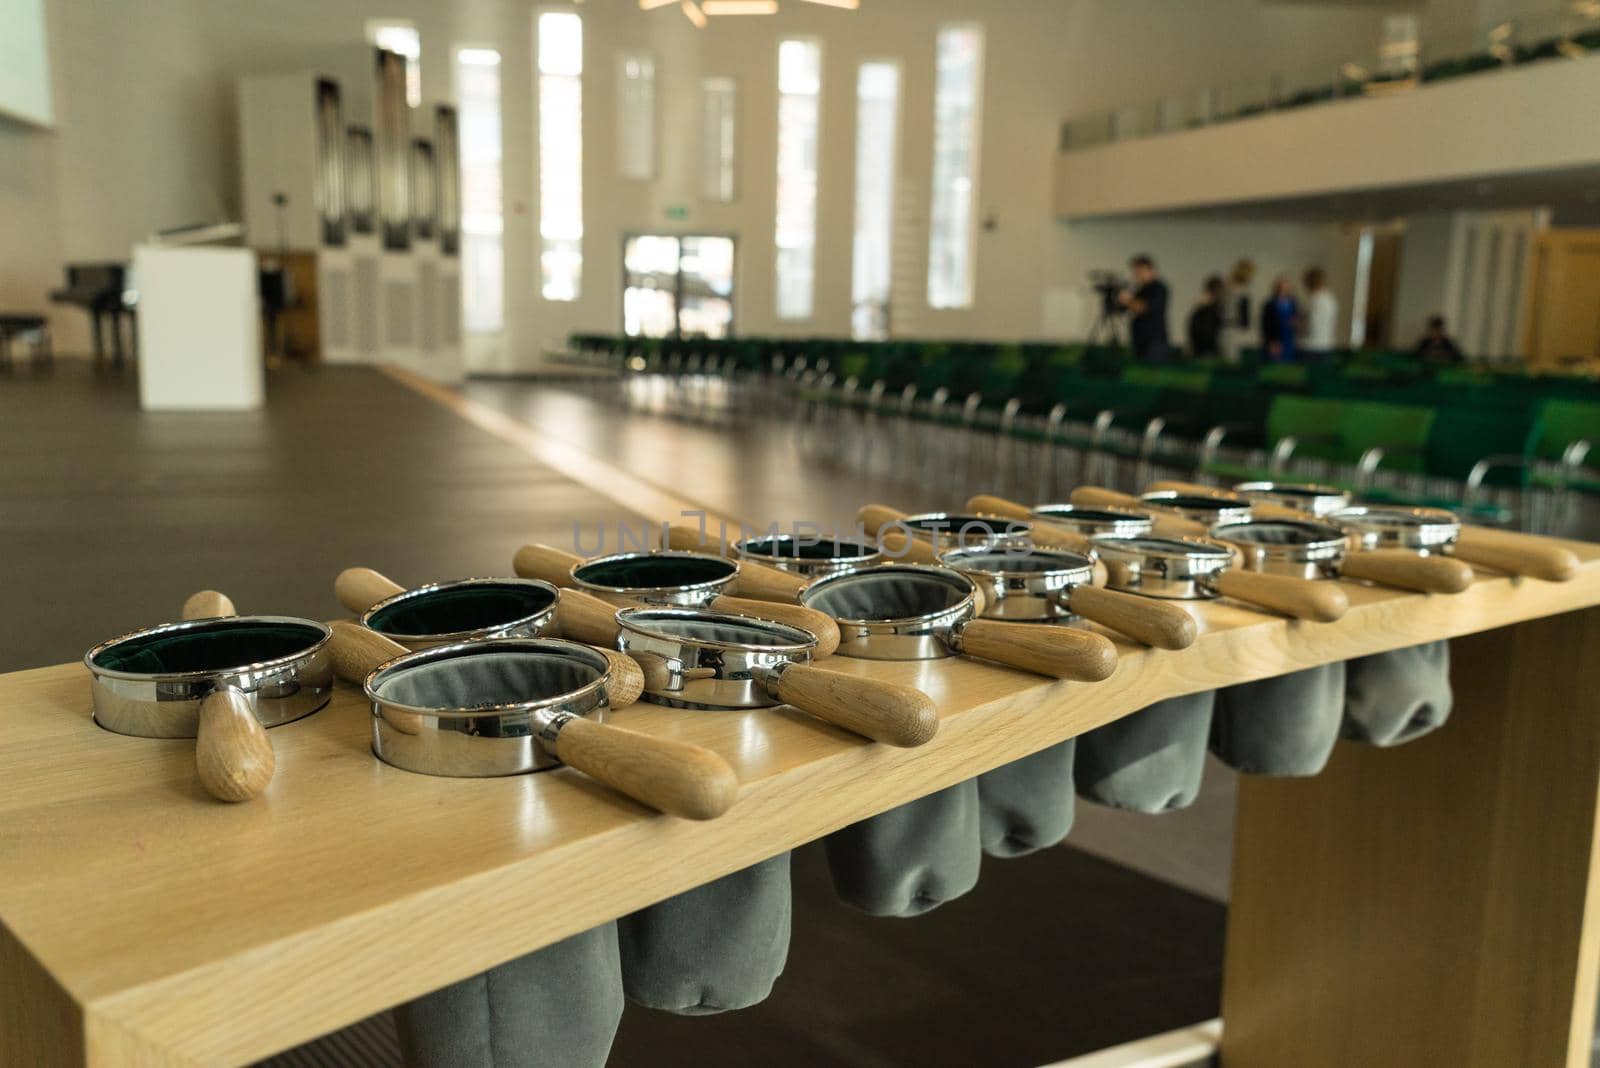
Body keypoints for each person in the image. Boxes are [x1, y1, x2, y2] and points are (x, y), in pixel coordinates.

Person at [1118, 254, 1170, 362]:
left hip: (1154, 343)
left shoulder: (1159, 288)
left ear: (1147, 268)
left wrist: (1128, 301)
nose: (1136, 275)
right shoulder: (1139, 289)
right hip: (1139, 341)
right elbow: (1123, 309)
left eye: (1138, 271)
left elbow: (1145, 308)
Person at [1301, 267, 1339, 364]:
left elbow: (1311, 325)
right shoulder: (1331, 299)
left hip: (1311, 347)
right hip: (1326, 345)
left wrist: (1296, 323)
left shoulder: (1314, 300)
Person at [1221, 258, 1255, 363]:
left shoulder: (1226, 286)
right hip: (1233, 327)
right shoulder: (1241, 290)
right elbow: (1243, 312)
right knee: (1231, 359)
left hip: (1224, 327)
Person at [1260, 276, 1300, 362]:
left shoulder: (1293, 302)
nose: (1284, 289)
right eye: (1282, 287)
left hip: (1289, 340)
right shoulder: (1269, 304)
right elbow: (1266, 325)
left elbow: (1296, 319)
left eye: (1287, 287)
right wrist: (1272, 342)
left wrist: (1296, 323)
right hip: (1275, 340)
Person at [1188, 275, 1225, 357]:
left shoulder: (1220, 308)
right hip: (1203, 349)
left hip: (1214, 348)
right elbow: (1194, 328)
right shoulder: (1201, 309)